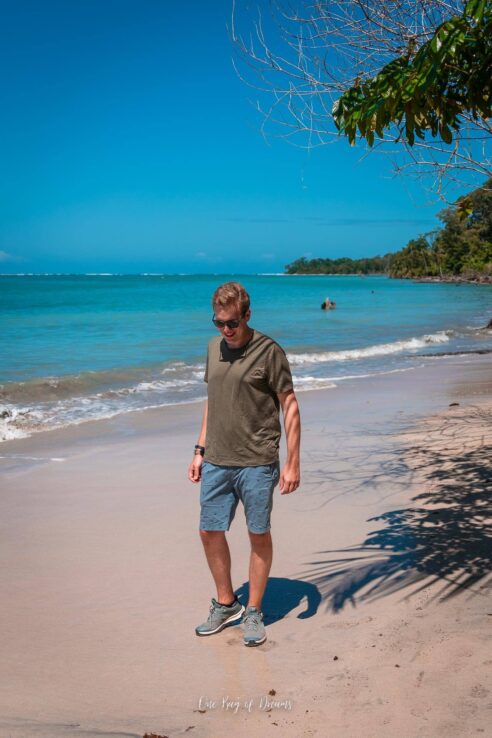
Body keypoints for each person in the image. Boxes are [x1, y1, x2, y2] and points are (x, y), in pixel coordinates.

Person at [188, 281, 301, 646]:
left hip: (256, 461)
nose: (226, 330)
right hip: (217, 460)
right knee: (209, 531)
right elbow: (212, 400)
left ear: (247, 315)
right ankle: (226, 603)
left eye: (232, 323)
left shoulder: (269, 351)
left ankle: (253, 610)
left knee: (257, 533)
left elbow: (290, 405)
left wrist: (292, 463)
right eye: (219, 322)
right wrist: (199, 449)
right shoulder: (213, 347)